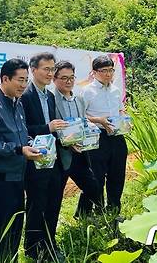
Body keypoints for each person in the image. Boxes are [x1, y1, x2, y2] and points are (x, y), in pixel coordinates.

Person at [0, 58, 43, 262]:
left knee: (16, 224)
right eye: (20, 80)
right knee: (2, 225)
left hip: (18, 173)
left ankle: (11, 258)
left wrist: (33, 144)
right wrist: (18, 149)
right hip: (0, 176)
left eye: (26, 80)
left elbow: (21, 134)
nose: (24, 85)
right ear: (5, 78)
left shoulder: (17, 102)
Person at [20, 52, 67, 262]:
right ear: (33, 70)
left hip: (53, 157)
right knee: (36, 203)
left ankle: (50, 242)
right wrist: (46, 128)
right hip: (35, 158)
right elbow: (23, 129)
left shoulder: (49, 95)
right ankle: (32, 247)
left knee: (54, 201)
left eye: (52, 69)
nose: (50, 73)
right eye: (46, 69)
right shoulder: (25, 95)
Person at [51, 60, 103, 216]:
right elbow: (51, 126)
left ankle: (82, 215)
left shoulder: (79, 99)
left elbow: (83, 121)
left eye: (72, 77)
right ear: (54, 79)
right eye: (64, 78)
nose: (69, 81)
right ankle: (50, 230)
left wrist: (91, 131)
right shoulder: (50, 100)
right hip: (61, 155)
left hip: (80, 153)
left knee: (93, 187)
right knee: (56, 196)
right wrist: (67, 143)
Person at [79, 55, 127, 213]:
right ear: (94, 72)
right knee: (96, 176)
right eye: (104, 71)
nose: (108, 74)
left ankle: (113, 208)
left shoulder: (115, 90)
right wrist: (99, 120)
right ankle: (89, 210)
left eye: (111, 70)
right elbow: (81, 116)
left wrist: (125, 120)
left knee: (117, 174)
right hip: (97, 137)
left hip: (117, 135)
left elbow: (120, 109)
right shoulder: (87, 91)